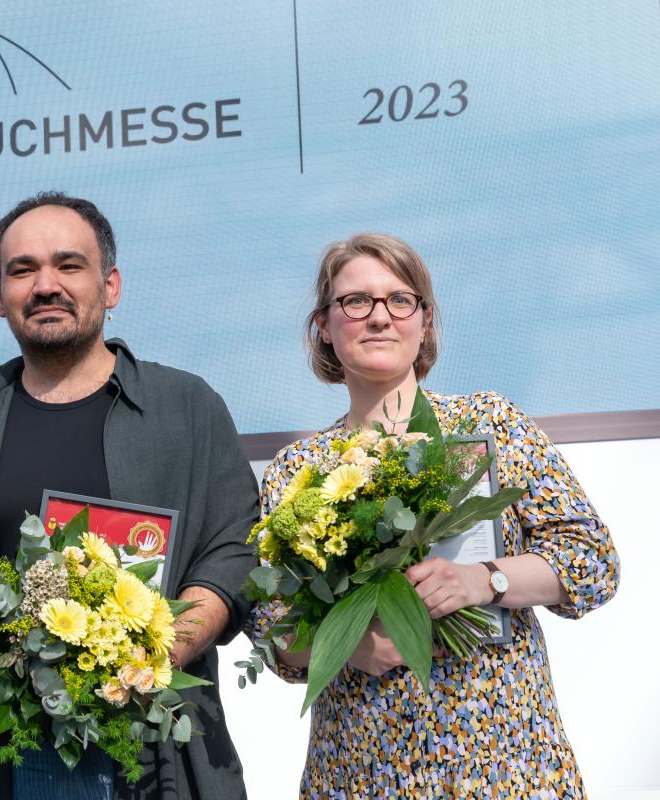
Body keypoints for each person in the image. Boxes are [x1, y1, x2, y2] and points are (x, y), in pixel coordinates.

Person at [0, 192, 257, 800]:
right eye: (22, 269)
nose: (45, 285)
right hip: (2, 755)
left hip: (162, 755)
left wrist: (161, 652)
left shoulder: (187, 408)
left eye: (69, 264)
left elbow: (233, 550)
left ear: (110, 286)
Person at [252, 233, 620, 798]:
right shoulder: (297, 470)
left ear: (424, 323)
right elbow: (274, 632)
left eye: (400, 300)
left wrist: (483, 579)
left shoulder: (487, 425)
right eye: (356, 301)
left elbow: (592, 561)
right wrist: (345, 644)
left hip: (503, 762)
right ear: (323, 326)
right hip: (361, 769)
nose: (379, 317)